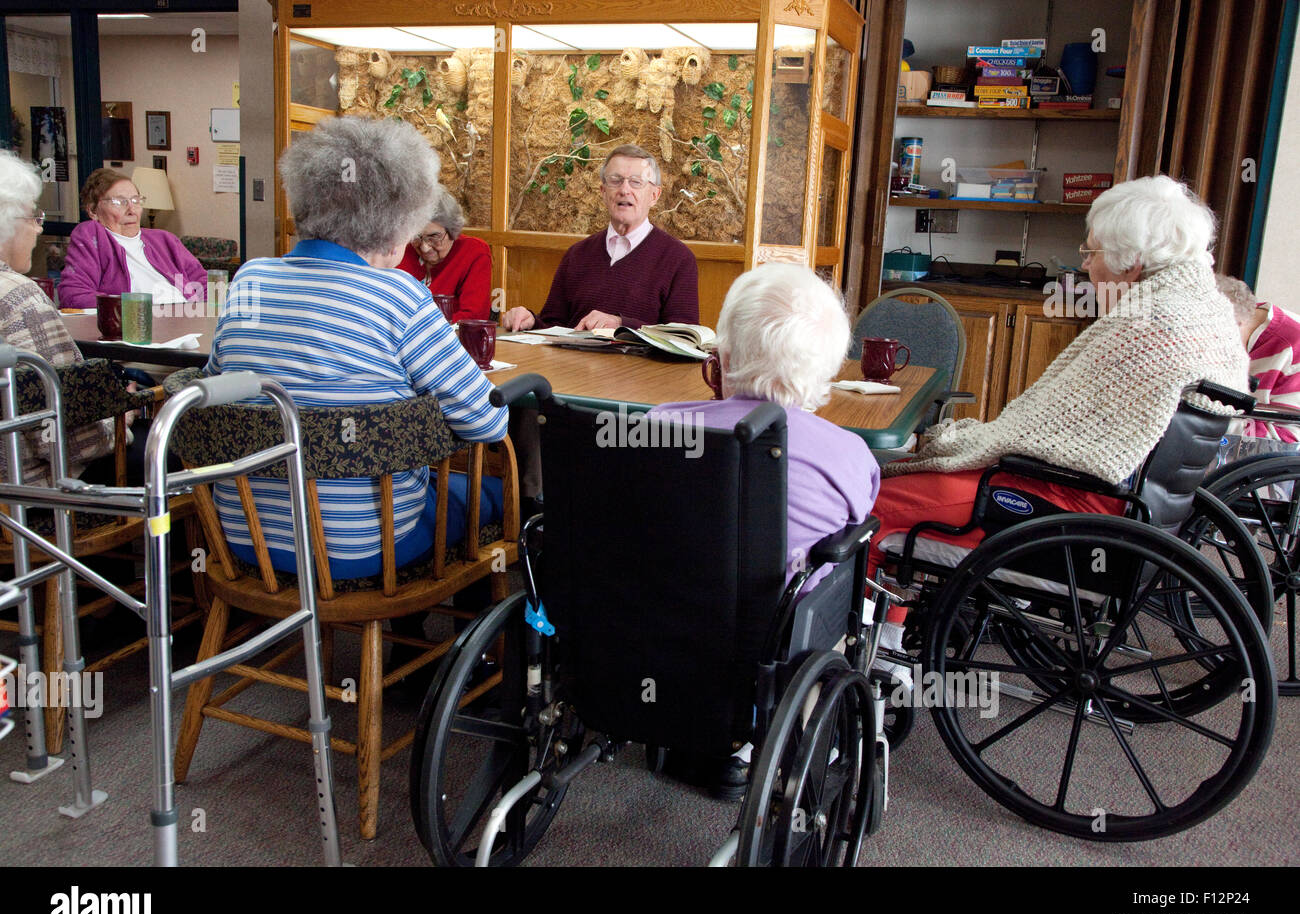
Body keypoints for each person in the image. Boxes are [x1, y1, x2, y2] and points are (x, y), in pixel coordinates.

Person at [869, 175, 1250, 582]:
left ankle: (876, 635)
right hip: (1128, 510)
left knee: (869, 507)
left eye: (1092, 251)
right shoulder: (1206, 313)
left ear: (1132, 261)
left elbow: (1041, 436)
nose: (1085, 265)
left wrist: (977, 440)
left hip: (1073, 508)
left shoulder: (1144, 327)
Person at [204, 116, 509, 580]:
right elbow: (485, 421)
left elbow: (215, 391)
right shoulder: (399, 296)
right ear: (397, 222)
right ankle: (469, 645)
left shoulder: (249, 281)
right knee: (497, 491)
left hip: (247, 537)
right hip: (365, 547)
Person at [648, 263, 879, 800]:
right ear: (825, 375)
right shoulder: (849, 455)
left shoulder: (659, 424)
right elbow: (849, 535)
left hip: (657, 624)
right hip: (774, 642)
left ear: (721, 359)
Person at [0, 151, 113, 482]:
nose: (38, 230)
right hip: (28, 497)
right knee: (169, 457)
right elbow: (69, 439)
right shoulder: (19, 298)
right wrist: (119, 419)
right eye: (33, 217)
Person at [502, 143, 699, 331]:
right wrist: (530, 320)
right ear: (603, 191)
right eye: (615, 180)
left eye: (636, 182)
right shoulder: (577, 255)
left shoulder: (678, 259)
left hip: (636, 367)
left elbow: (683, 339)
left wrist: (621, 324)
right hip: (572, 365)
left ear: (654, 195)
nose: (624, 190)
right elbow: (553, 326)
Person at [57, 167, 206, 309]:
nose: (132, 210)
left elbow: (204, 284)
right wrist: (133, 310)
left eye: (136, 201)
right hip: (138, 326)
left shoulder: (164, 240)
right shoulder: (91, 235)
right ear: (93, 211)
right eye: (119, 202)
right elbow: (73, 295)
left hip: (188, 320)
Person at [1217, 274, 1300, 443]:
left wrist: (1204, 415)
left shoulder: (1293, 348)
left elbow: (1288, 442)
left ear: (1232, 323)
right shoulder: (1243, 314)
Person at [396, 192, 492, 324]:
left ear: (453, 230)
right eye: (417, 237)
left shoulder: (474, 252)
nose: (424, 248)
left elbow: (474, 316)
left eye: (434, 237)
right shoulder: (401, 250)